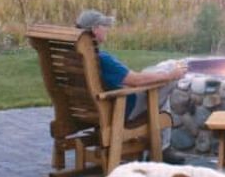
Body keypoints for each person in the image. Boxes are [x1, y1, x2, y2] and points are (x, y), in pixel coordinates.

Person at [75, 9, 188, 164]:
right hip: (121, 108)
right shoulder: (100, 59)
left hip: (87, 110)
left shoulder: (75, 57)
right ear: (95, 29)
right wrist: (170, 75)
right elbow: (135, 80)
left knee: (161, 77)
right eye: (104, 25)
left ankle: (164, 147)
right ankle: (163, 148)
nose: (107, 28)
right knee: (167, 80)